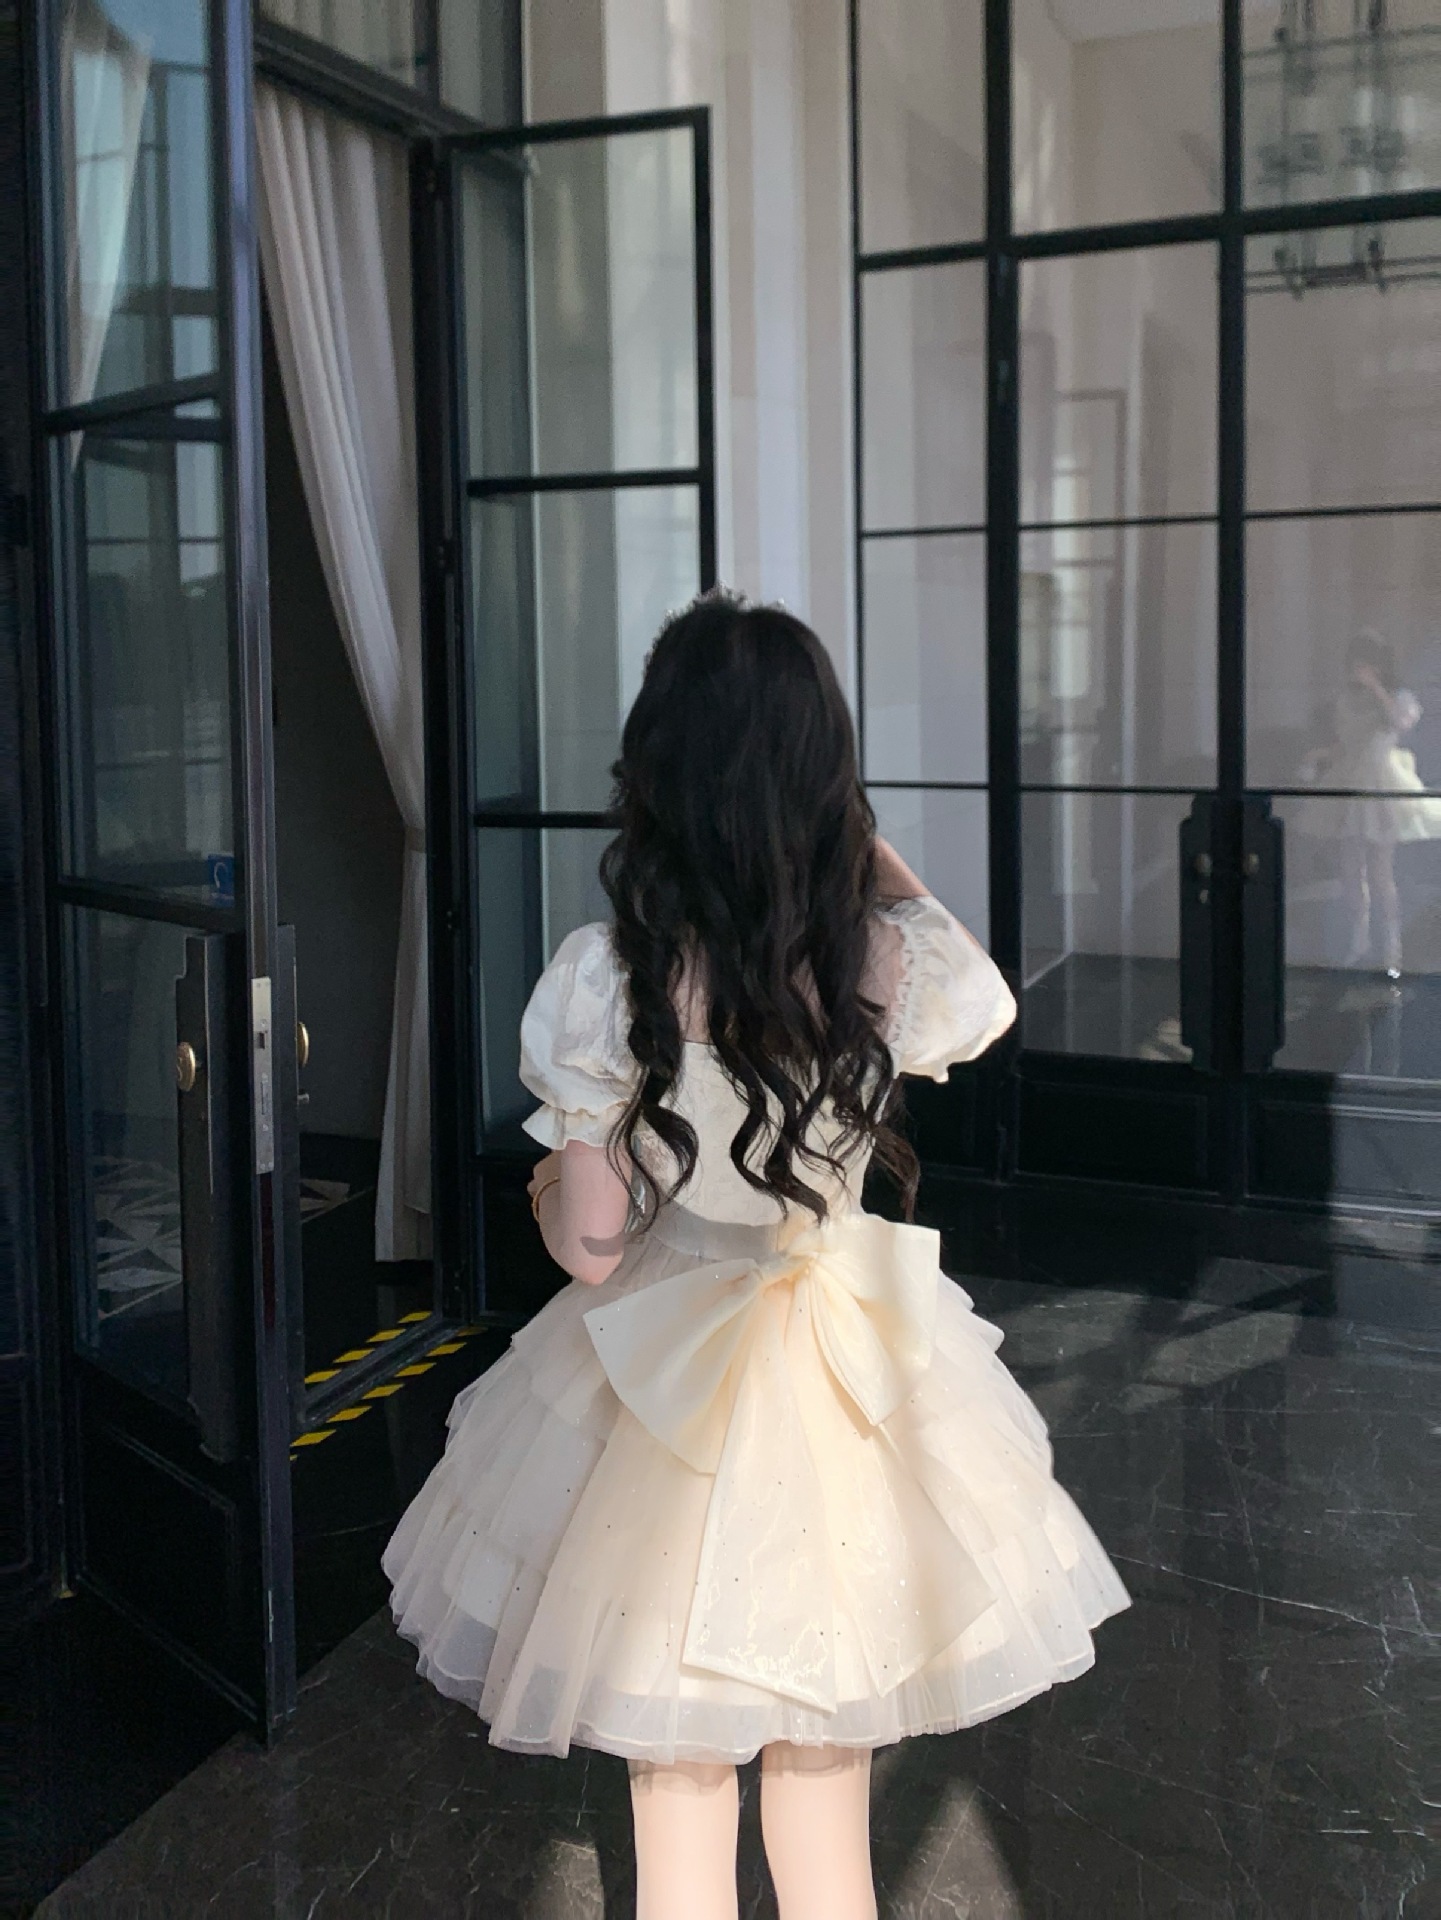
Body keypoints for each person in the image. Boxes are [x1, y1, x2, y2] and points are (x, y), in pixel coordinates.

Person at [384, 594, 1130, 1919]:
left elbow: (593, 1253)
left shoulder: (608, 976)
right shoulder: (879, 961)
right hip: (851, 1356)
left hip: (663, 1374)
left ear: (656, 776)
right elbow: (988, 996)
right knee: (826, 1798)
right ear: (825, 776)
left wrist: (558, 1174)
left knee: (677, 1789)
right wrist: (854, 844)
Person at [1299, 630, 1441, 978]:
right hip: (1349, 779)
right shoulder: (1345, 699)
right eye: (1357, 661)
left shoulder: (1397, 696)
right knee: (1351, 871)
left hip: (1380, 781)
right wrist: (1318, 756)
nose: (1361, 667)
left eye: (1368, 661)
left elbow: (1400, 722)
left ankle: (1392, 947)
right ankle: (1359, 940)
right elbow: (1347, 742)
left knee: (1381, 871)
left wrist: (1377, 688)